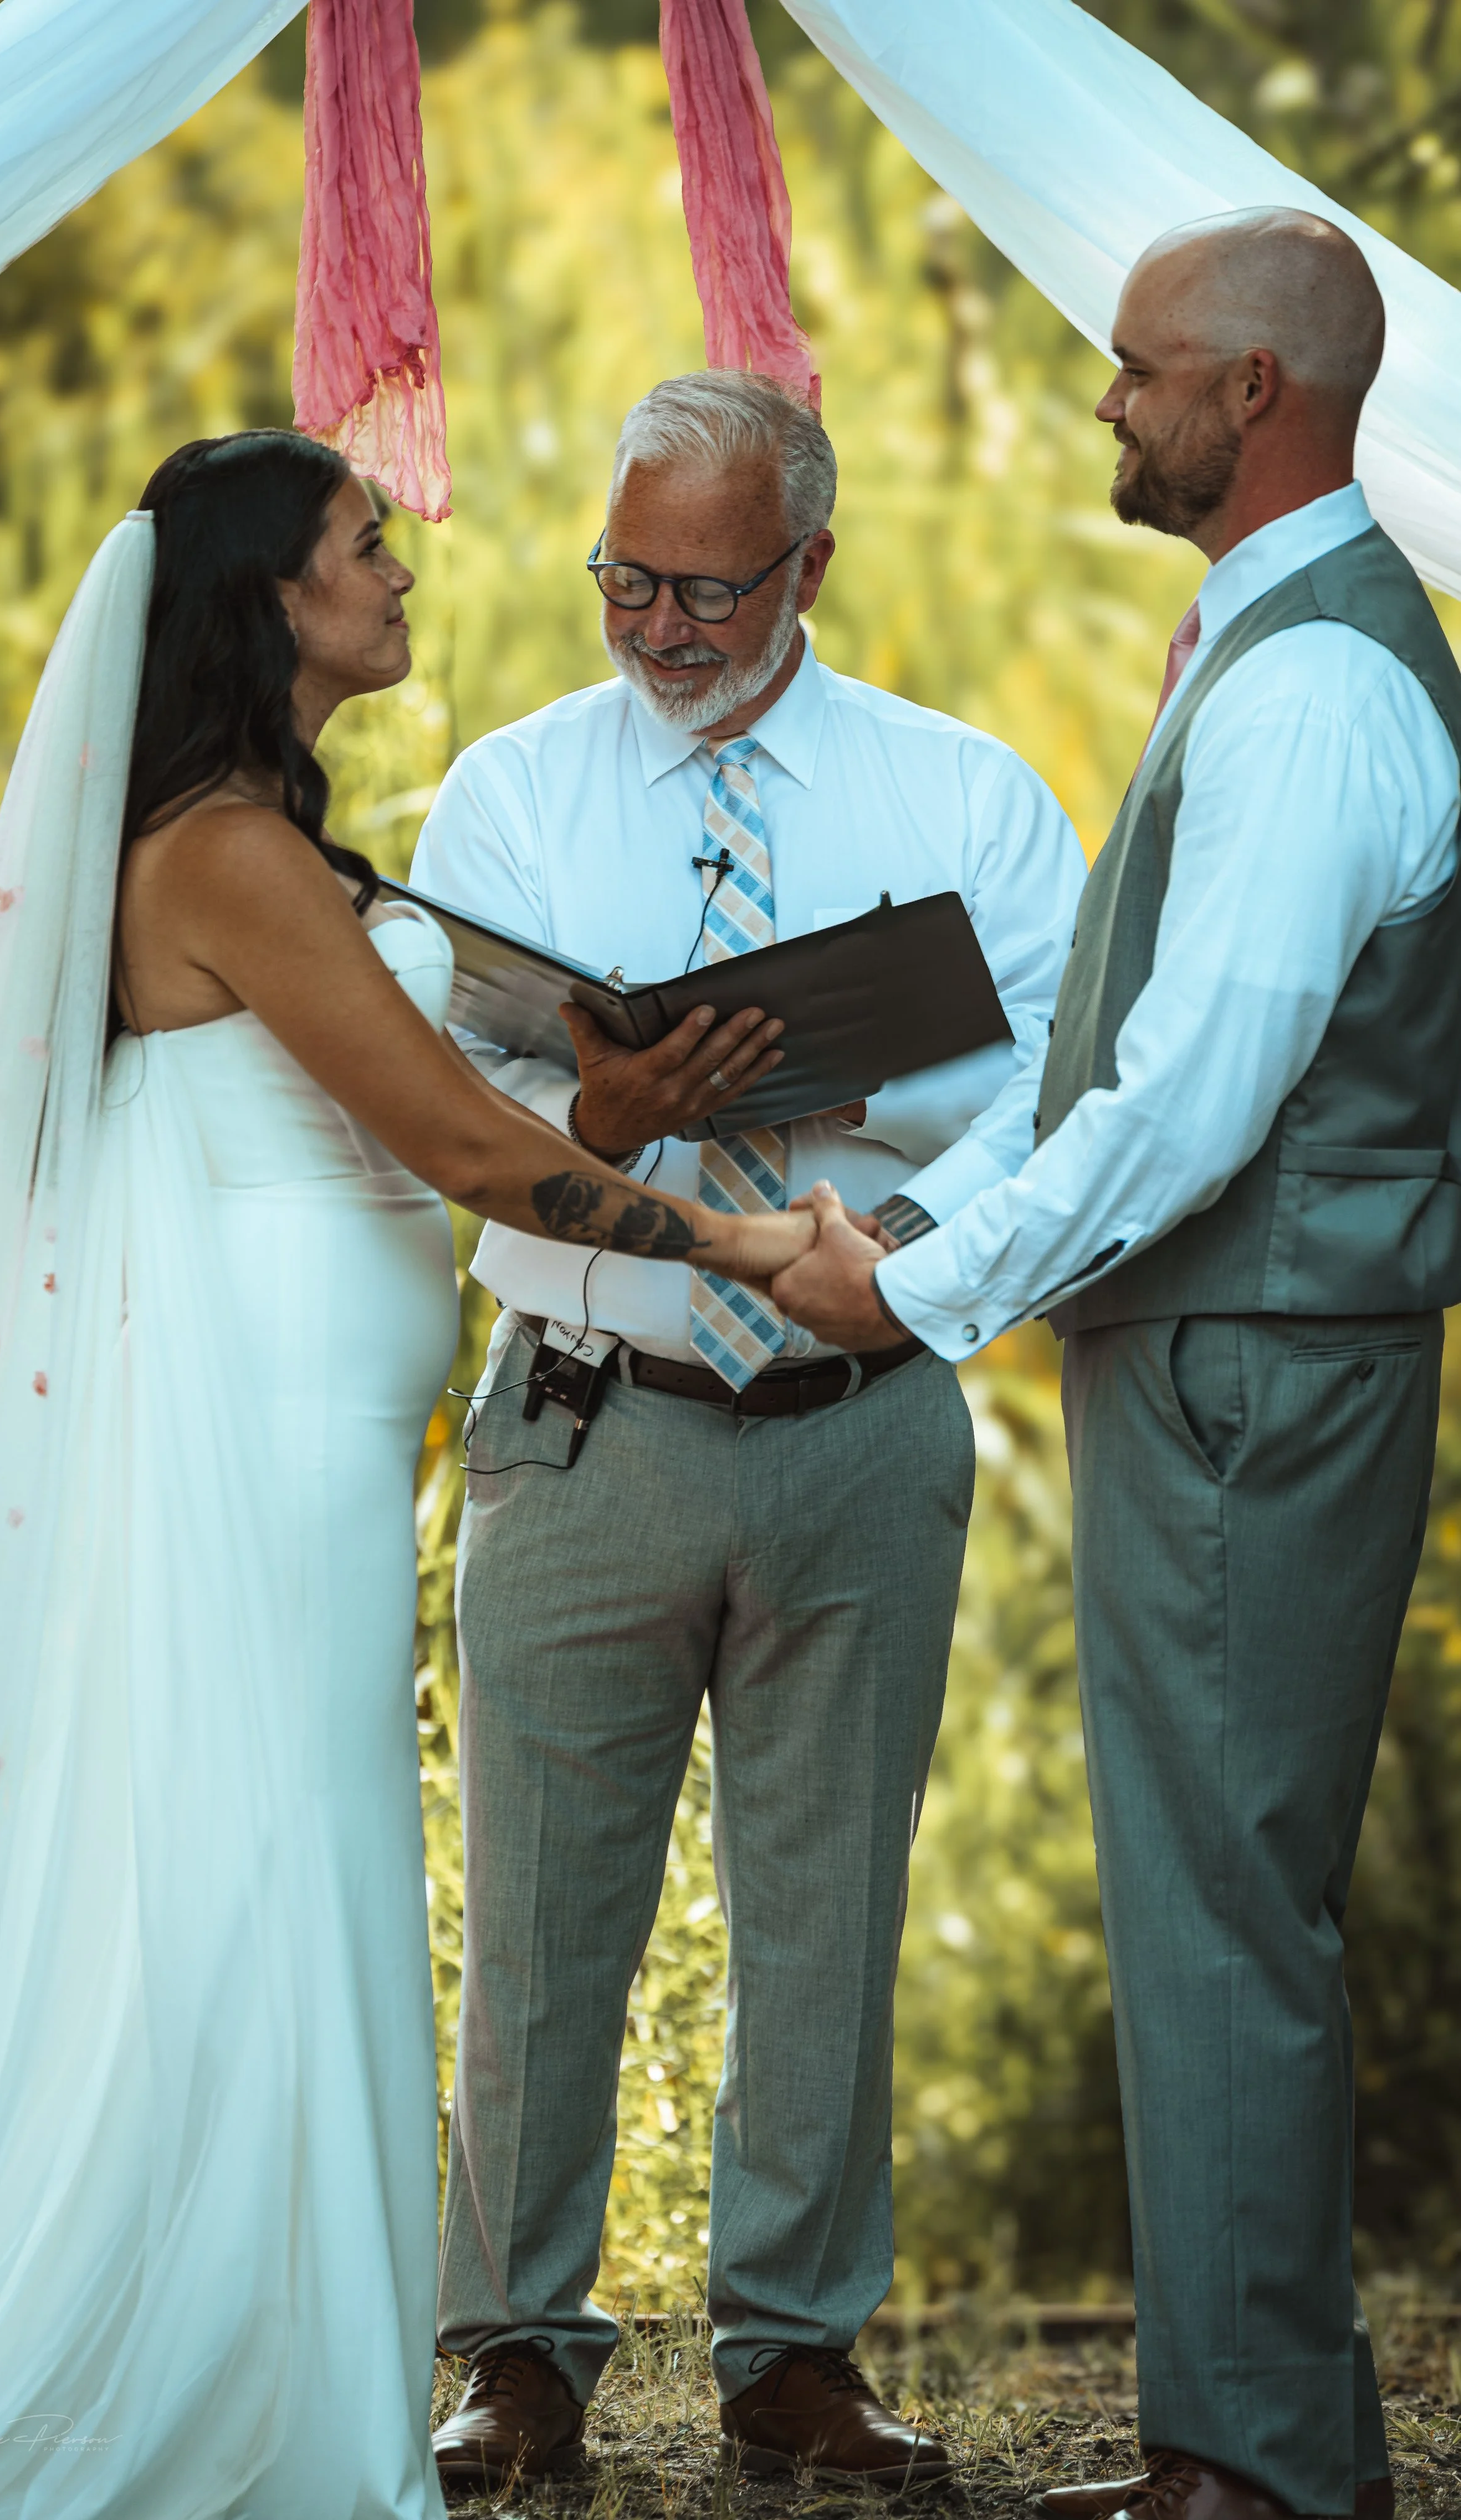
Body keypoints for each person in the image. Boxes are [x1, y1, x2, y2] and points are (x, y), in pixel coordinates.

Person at [0, 431, 813, 2519]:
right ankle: (208, 2396)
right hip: (245, 1448)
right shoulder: (218, 847)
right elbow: (472, 1152)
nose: (398, 574)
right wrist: (753, 1243)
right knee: (251, 1873)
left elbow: (439, 1103)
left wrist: (602, 1099)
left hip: (311, 1456)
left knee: (292, 1866)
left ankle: (273, 2383)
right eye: (359, 548)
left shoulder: (285, 843)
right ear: (262, 603)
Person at [771, 211, 1461, 2520]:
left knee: (1221, 1894)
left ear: (1252, 393)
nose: (1107, 399)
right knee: (1215, 1883)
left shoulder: (1314, 690)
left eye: (1140, 366)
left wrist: (919, 1291)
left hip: (1252, 1363)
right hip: (1234, 1346)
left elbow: (1192, 1092)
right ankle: (1272, 2439)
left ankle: (1249, 2473)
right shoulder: (1277, 651)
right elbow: (1126, 1083)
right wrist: (933, 1228)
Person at [410, 369, 1085, 2487]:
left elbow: (1067, 1079)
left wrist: (884, 1233)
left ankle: (794, 2355)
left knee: (828, 1905)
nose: (659, 624)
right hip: (591, 1415)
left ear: (810, 560)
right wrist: (589, 1117)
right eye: (625, 576)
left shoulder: (962, 794)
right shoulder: (509, 798)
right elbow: (435, 1091)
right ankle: (513, 2348)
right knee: (537, 1914)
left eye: (705, 585)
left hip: (861, 1413)